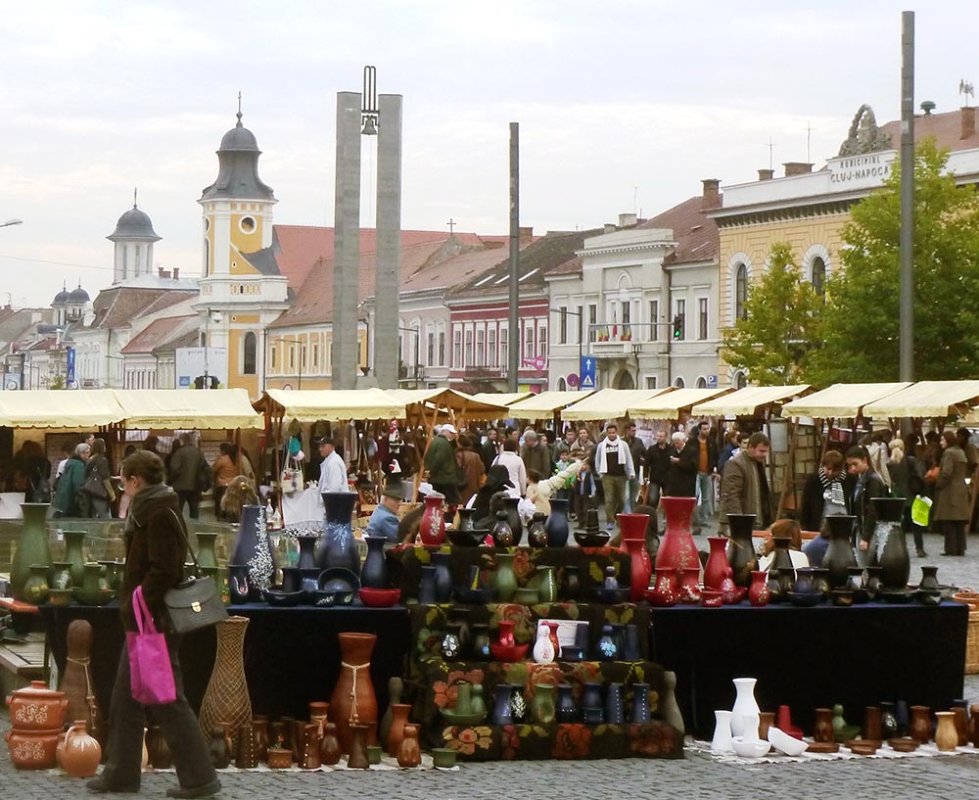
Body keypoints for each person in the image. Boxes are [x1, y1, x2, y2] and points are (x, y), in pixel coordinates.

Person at [87, 450, 220, 798]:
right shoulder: (150, 507)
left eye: (122, 480)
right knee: (127, 699)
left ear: (135, 481)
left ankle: (199, 779)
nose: (121, 487)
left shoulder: (158, 510)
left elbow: (165, 568)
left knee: (167, 699)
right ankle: (121, 774)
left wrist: (139, 599)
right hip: (144, 620)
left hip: (153, 621)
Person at [800, 449, 851, 565]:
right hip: (819, 527)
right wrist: (804, 525)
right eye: (828, 469)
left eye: (835, 470)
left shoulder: (848, 480)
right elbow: (806, 504)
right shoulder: (814, 480)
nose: (830, 472)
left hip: (842, 530)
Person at [719, 432, 773, 532]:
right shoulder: (735, 464)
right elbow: (732, 496)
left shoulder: (757, 463)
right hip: (740, 524)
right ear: (751, 447)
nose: (764, 455)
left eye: (766, 451)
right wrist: (740, 524)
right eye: (761, 451)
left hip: (755, 523)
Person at [845, 444, 887, 562]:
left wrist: (865, 537)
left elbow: (873, 510)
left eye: (855, 464)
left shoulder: (872, 481)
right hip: (861, 529)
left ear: (865, 460)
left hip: (870, 531)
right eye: (850, 465)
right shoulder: (861, 480)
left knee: (867, 564)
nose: (852, 468)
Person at [886, 438, 927, 557]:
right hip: (912, 497)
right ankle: (919, 549)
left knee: (900, 526)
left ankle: (901, 548)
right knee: (917, 525)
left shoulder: (889, 464)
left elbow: (889, 481)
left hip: (897, 498)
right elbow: (920, 476)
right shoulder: (911, 461)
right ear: (903, 448)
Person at [934, 430, 970, 556]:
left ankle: (951, 549)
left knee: (949, 521)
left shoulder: (948, 453)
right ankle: (960, 548)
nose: (941, 442)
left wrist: (938, 484)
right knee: (959, 522)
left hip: (950, 491)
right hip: (961, 489)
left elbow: (947, 473)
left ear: (948, 440)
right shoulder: (960, 452)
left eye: (943, 440)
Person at [594, 423, 635, 532]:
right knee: (609, 500)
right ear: (606, 433)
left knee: (621, 499)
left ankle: (616, 516)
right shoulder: (602, 446)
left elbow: (628, 459)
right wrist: (600, 473)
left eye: (613, 432)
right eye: (609, 433)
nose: (611, 435)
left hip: (621, 476)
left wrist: (631, 472)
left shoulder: (623, 445)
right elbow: (597, 460)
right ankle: (610, 521)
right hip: (607, 476)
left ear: (616, 432)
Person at [168, 433, 206, 520]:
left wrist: (171, 480)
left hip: (180, 486)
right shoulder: (198, 452)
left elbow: (174, 468)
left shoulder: (179, 453)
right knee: (194, 510)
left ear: (182, 441)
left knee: (178, 510)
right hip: (195, 485)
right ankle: (195, 527)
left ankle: (179, 528)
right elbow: (203, 467)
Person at [691, 420, 719, 535]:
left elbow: (716, 455)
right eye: (704, 429)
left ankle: (702, 519)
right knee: (696, 494)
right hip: (695, 472)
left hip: (707, 472)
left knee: (706, 497)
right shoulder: (693, 442)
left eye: (708, 429)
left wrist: (714, 469)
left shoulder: (711, 442)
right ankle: (695, 519)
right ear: (699, 430)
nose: (706, 431)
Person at [424, 423, 460, 506]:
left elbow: (427, 458)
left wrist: (429, 472)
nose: (453, 436)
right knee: (452, 502)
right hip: (445, 478)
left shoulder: (435, 441)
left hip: (437, 478)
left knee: (438, 501)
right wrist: (432, 472)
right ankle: (449, 518)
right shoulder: (444, 443)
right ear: (445, 432)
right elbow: (438, 460)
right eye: (451, 433)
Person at [53, 442, 89, 518]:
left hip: (62, 500)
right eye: (86, 453)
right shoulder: (79, 465)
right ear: (80, 453)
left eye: (88, 452)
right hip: (72, 501)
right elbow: (78, 484)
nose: (88, 455)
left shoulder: (69, 463)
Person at [85, 438, 114, 519]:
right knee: (106, 518)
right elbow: (105, 479)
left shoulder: (90, 459)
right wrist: (112, 494)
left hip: (90, 491)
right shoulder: (102, 460)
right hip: (100, 493)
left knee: (93, 518)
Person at [455, 433, 485, 507]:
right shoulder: (476, 455)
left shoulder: (458, 455)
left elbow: (456, 470)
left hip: (462, 486)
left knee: (461, 507)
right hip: (475, 486)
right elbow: (482, 469)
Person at [644, 429, 671, 510]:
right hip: (655, 477)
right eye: (658, 436)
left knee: (668, 499)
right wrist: (645, 476)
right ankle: (652, 515)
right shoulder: (651, 449)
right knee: (653, 499)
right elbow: (646, 463)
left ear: (666, 437)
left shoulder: (671, 449)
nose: (659, 438)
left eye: (661, 436)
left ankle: (666, 517)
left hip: (668, 478)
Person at [665, 431, 697, 501]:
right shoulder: (672, 451)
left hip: (687, 484)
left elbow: (693, 466)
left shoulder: (691, 451)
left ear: (683, 441)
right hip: (674, 484)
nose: (676, 445)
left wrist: (679, 461)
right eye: (675, 443)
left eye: (678, 443)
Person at [210, 443, 237, 520]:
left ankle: (220, 516)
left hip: (222, 484)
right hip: (233, 483)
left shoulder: (222, 459)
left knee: (220, 501)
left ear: (223, 451)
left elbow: (214, 469)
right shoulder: (234, 459)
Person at [624, 422, 646, 511]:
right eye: (632, 431)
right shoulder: (621, 442)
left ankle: (631, 513)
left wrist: (644, 463)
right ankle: (626, 513)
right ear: (627, 430)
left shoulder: (638, 441)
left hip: (635, 471)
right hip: (623, 472)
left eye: (635, 430)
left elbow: (645, 454)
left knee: (633, 494)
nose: (634, 432)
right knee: (625, 495)